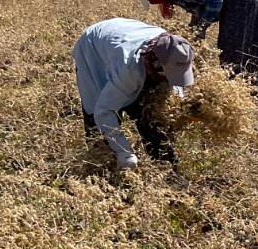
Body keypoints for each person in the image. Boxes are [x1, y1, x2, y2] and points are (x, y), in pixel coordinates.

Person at [71, 18, 194, 169]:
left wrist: (179, 108)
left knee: (153, 114)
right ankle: (102, 170)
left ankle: (165, 165)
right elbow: (103, 111)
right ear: (154, 63)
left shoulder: (176, 50)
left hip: (122, 35)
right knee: (98, 126)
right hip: (93, 47)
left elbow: (176, 82)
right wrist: (123, 152)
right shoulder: (130, 69)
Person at [128, 0, 258, 86]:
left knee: (233, 52)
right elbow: (200, 3)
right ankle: (255, 94)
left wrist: (200, 29)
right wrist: (192, 29)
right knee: (250, 50)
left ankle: (241, 94)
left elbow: (215, 0)